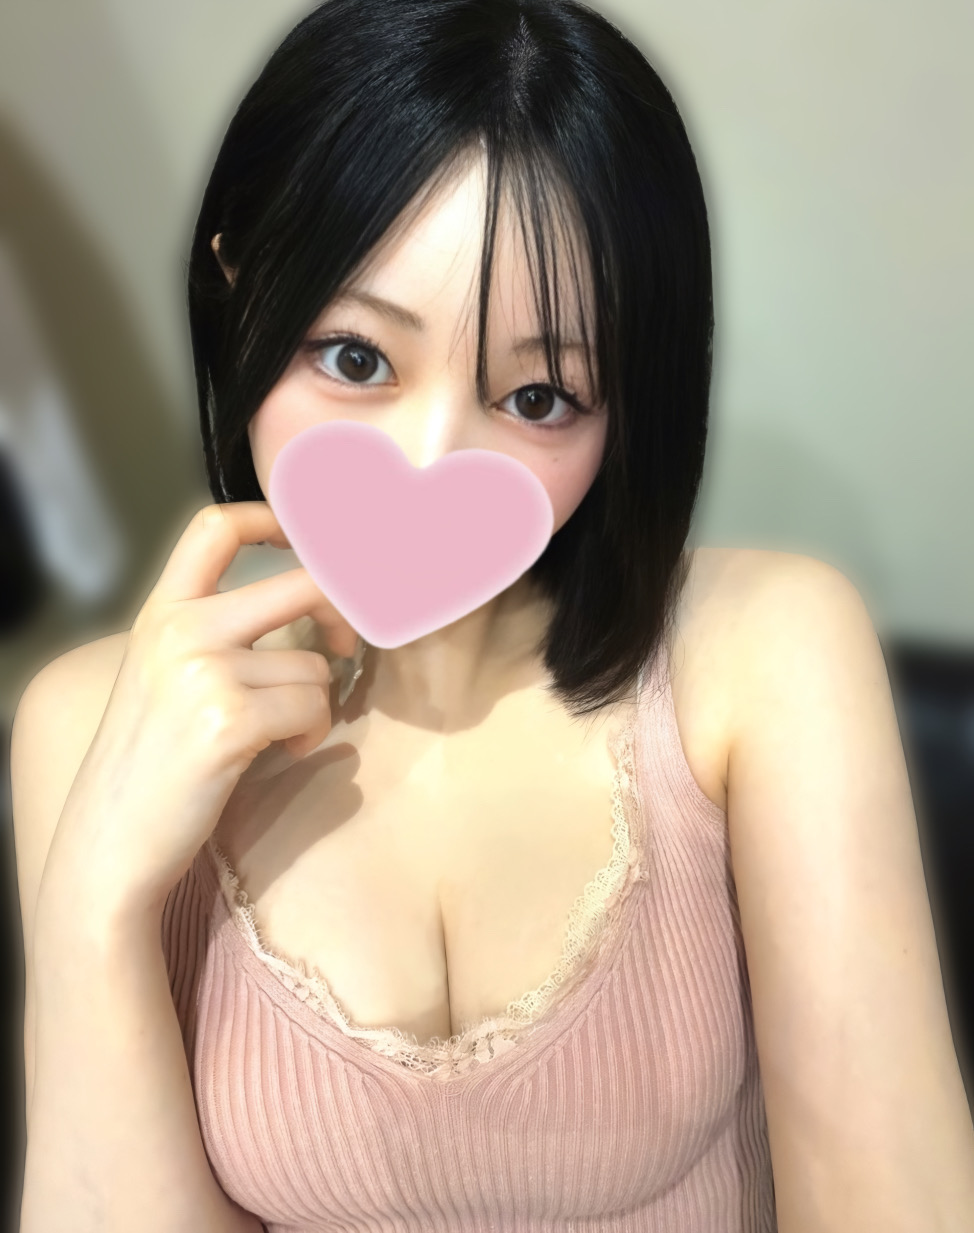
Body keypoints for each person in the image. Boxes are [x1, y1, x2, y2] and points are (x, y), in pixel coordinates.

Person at [12, 1, 974, 1230]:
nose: (429, 459)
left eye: (535, 395)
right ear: (238, 289)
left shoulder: (766, 653)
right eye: (355, 358)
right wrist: (95, 905)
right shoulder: (88, 721)